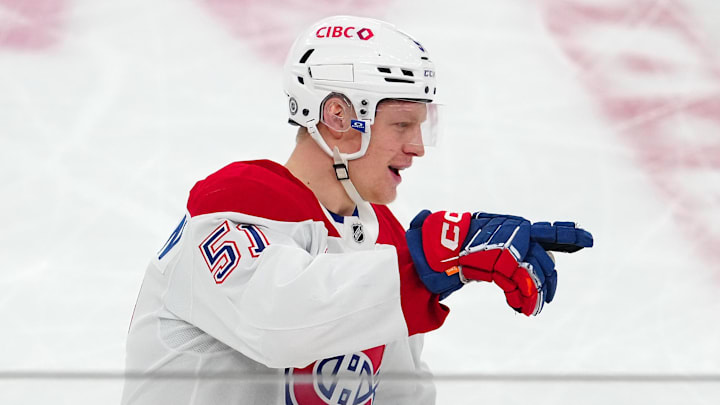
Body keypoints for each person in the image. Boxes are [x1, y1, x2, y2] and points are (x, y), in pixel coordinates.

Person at [121, 15, 592, 405]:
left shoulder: (384, 241)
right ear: (339, 118)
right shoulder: (235, 206)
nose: (417, 148)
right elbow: (279, 320)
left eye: (421, 126)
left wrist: (422, 261)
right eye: (402, 124)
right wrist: (426, 260)